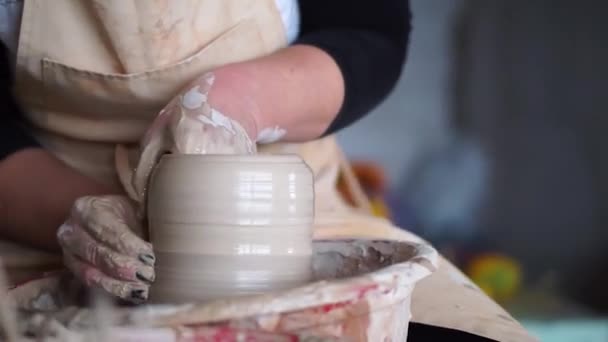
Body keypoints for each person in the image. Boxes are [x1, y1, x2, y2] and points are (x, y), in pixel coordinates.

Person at [0, 0, 411, 302]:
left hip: (297, 222)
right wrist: (73, 213)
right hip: (52, 214)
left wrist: (241, 102)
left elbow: (371, 28)